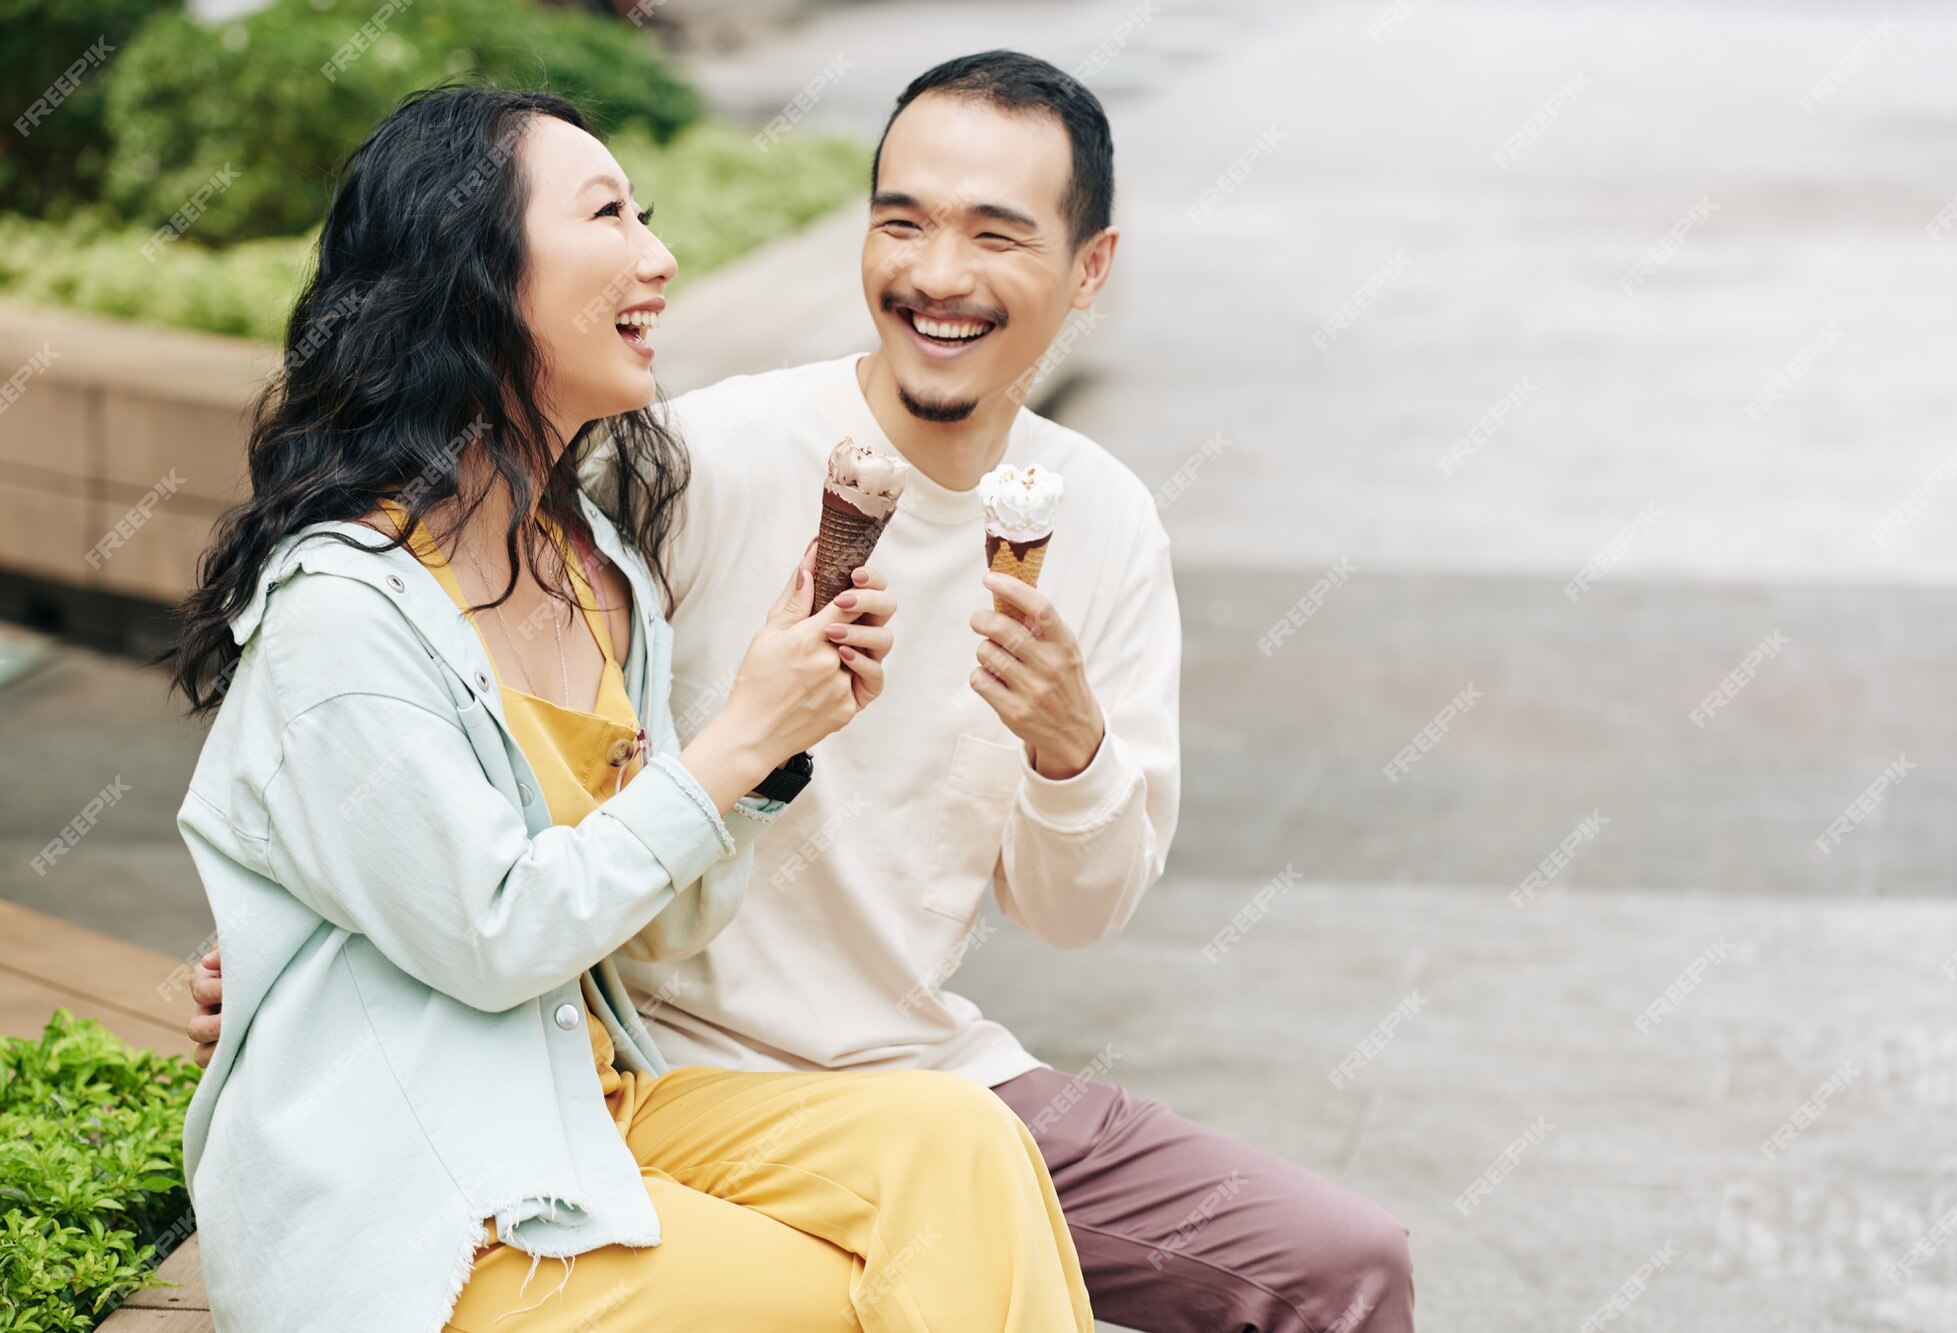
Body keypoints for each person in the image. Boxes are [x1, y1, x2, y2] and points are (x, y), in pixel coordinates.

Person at [193, 53, 1419, 1331]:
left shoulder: (1097, 522)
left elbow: (1074, 908)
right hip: (626, 1055)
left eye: (995, 235)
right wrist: (293, 932)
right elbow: (410, 784)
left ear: (1088, 268)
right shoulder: (683, 467)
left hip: (905, 1068)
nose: (938, 274)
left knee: (1335, 1262)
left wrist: (1069, 748)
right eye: (902, 222)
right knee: (872, 1279)